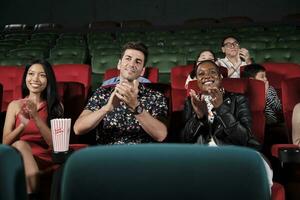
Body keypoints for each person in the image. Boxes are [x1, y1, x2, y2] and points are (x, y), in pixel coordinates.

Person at [181, 60, 273, 189]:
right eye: (201, 74)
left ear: (220, 77)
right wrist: (199, 117)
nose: (207, 76)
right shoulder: (191, 102)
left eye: (212, 72)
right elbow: (185, 140)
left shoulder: (239, 99)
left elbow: (243, 138)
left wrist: (221, 108)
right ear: (197, 80)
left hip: (235, 153)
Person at [74, 41, 168, 144]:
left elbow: (161, 135)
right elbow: (78, 128)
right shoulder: (102, 93)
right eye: (128, 58)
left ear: (142, 71)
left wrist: (136, 107)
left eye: (138, 61)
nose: (132, 64)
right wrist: (106, 109)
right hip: (108, 155)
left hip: (141, 156)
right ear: (119, 64)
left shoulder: (156, 96)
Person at [2, 59, 64, 196]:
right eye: (31, 74)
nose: (35, 79)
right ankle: (32, 194)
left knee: (21, 145)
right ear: (26, 77)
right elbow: (5, 143)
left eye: (42, 75)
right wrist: (22, 125)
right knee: (20, 144)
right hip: (17, 154)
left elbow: (56, 145)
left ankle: (31, 194)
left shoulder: (56, 106)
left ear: (48, 80)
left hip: (43, 156)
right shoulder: (14, 105)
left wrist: (35, 117)